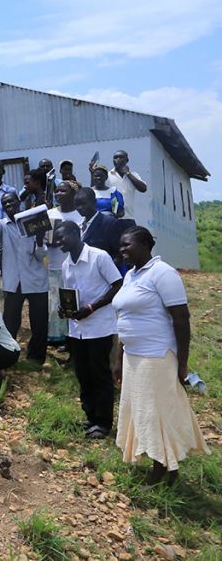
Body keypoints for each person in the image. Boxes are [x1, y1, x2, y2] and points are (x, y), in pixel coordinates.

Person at [111, 226, 210, 484]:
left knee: (155, 413)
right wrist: (119, 359)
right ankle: (167, 465)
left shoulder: (162, 274)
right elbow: (125, 319)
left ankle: (162, 468)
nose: (122, 250)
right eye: (120, 245)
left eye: (127, 245)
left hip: (156, 355)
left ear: (145, 245)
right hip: (133, 356)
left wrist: (182, 364)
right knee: (141, 412)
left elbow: (181, 319)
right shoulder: (130, 276)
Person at [57, 221, 123, 440]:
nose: (58, 242)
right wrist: (64, 309)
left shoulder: (99, 256)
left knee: (100, 374)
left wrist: (92, 307)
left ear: (76, 234)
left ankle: (103, 422)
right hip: (77, 329)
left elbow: (117, 285)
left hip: (99, 327)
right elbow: (71, 295)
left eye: (62, 237)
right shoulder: (66, 264)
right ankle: (91, 416)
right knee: (83, 374)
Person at [0, 191, 49, 363]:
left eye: (11, 201)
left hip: (35, 279)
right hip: (13, 282)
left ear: (18, 202)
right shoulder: (2, 226)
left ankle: (37, 356)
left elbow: (41, 256)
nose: (8, 205)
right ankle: (8, 353)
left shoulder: (32, 222)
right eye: (5, 203)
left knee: (39, 322)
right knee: (10, 321)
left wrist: (40, 241)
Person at [46, 182, 84, 349]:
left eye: (63, 190)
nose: (58, 193)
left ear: (73, 194)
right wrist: (48, 241)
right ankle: (59, 338)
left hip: (74, 266)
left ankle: (73, 340)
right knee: (55, 305)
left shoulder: (80, 215)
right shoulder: (49, 214)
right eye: (57, 190)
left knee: (74, 304)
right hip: (53, 265)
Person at [75, 187, 123, 264]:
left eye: (83, 203)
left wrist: (106, 270)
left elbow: (119, 254)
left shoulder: (109, 224)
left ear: (94, 202)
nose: (80, 208)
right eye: (77, 205)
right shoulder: (77, 225)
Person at [108, 150, 147, 219]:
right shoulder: (108, 176)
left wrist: (128, 173)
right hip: (112, 217)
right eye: (115, 158)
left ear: (127, 160)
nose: (118, 159)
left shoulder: (134, 175)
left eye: (121, 157)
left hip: (128, 217)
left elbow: (143, 189)